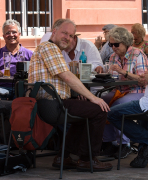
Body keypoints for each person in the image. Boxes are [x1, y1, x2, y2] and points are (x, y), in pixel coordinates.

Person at [28, 18, 113, 172]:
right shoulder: (49, 48)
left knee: (84, 113)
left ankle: (64, 157)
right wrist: (94, 97)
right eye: (64, 33)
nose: (67, 37)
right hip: (52, 105)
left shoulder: (49, 49)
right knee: (100, 109)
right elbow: (67, 76)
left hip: (48, 103)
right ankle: (88, 159)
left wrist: (78, 94)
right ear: (54, 32)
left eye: (71, 35)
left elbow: (60, 80)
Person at [101, 26, 148, 159]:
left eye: (116, 44)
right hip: (119, 90)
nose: (113, 47)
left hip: (137, 91)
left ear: (125, 42)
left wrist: (123, 72)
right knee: (100, 102)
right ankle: (109, 142)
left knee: (116, 105)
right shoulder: (112, 57)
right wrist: (102, 72)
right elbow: (111, 77)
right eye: (111, 44)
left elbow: (143, 81)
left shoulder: (137, 54)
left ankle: (124, 144)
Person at [0, 19, 33, 100]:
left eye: (14, 32)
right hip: (0, 88)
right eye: (7, 33)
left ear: (19, 34)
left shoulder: (29, 54)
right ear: (3, 36)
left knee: (23, 100)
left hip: (21, 88)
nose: (11, 35)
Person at [107, 71, 148, 168]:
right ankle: (142, 155)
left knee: (111, 114)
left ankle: (144, 144)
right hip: (143, 99)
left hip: (144, 103)